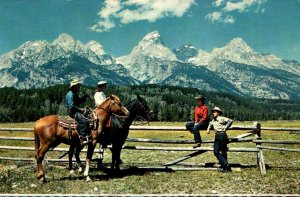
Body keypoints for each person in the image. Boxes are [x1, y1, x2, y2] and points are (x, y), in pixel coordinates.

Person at [207, 107, 233, 172]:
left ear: (218, 113)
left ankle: (225, 167)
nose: (213, 113)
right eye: (213, 112)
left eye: (214, 112)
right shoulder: (213, 120)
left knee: (223, 152)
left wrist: (226, 127)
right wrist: (208, 129)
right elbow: (210, 124)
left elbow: (230, 121)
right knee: (216, 151)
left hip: (222, 135)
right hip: (217, 136)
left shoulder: (222, 118)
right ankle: (226, 165)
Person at [65, 79, 90, 145]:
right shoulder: (70, 94)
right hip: (72, 112)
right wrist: (80, 110)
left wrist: (84, 97)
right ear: (74, 87)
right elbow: (71, 106)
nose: (79, 87)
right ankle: (82, 137)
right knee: (84, 121)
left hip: (75, 110)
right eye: (77, 86)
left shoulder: (74, 93)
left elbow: (78, 101)